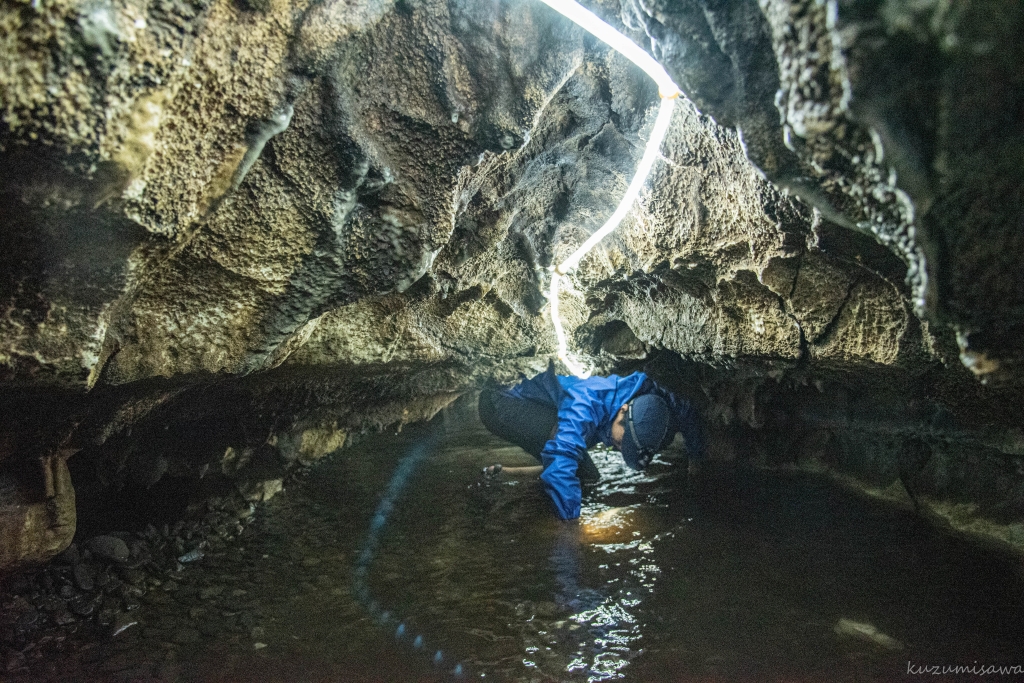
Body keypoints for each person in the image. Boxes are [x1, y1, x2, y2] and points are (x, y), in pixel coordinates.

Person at [478, 361, 705, 520]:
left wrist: (696, 460)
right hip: (501, 402)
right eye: (622, 442)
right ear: (623, 411)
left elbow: (684, 409)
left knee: (588, 476)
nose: (620, 449)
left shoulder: (652, 392)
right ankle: (518, 482)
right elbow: (562, 455)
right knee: (576, 471)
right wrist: (570, 525)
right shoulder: (587, 404)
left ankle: (506, 474)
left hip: (544, 402)